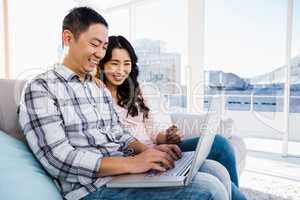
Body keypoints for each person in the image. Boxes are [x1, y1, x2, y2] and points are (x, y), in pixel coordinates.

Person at [18, 7, 229, 200]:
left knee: (213, 169)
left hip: (125, 173)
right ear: (68, 38)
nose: (100, 53)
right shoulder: (41, 88)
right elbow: (59, 160)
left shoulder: (95, 87)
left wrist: (146, 154)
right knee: (209, 188)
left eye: (104, 46)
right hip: (93, 188)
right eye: (94, 44)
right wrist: (133, 164)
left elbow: (119, 134)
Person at [96, 35, 247, 200]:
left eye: (127, 64)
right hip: (137, 157)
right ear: (102, 64)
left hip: (158, 149)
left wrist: (167, 137)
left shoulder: (135, 91)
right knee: (210, 180)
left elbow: (153, 132)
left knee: (220, 144)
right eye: (114, 63)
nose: (121, 71)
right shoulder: (96, 94)